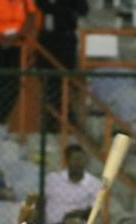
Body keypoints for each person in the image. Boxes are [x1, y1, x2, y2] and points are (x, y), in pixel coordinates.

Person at [35, 0, 88, 130]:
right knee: (48, 80)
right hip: (47, 40)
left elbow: (83, 9)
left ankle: (65, 114)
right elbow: (39, 5)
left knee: (64, 79)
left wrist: (59, 8)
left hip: (65, 40)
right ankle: (53, 116)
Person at [0, 0, 37, 123]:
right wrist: (2, 38)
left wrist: (18, 35)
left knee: (14, 85)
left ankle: (1, 118)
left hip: (15, 46)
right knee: (1, 83)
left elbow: (31, 17)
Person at [45, 144, 102, 224]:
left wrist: (76, 215)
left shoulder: (94, 183)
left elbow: (94, 210)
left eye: (81, 159)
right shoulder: (53, 179)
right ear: (67, 160)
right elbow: (40, 201)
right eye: (75, 159)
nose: (79, 162)